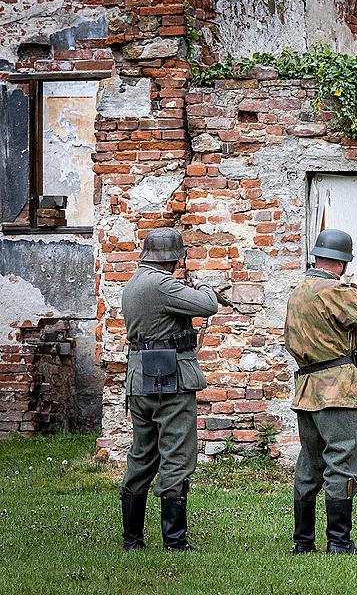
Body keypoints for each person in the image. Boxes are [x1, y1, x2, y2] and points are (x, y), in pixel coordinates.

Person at [284, 229, 357, 555]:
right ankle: (339, 543)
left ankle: (303, 543)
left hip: (307, 387)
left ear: (316, 255)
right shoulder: (334, 290)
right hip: (338, 390)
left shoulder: (299, 291)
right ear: (343, 262)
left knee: (310, 464)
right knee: (342, 462)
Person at [120, 227, 221, 552]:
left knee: (142, 454)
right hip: (170, 379)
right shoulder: (163, 284)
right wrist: (206, 283)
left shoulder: (135, 282)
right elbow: (207, 305)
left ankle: (132, 539)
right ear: (176, 258)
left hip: (140, 378)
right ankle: (174, 541)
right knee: (177, 454)